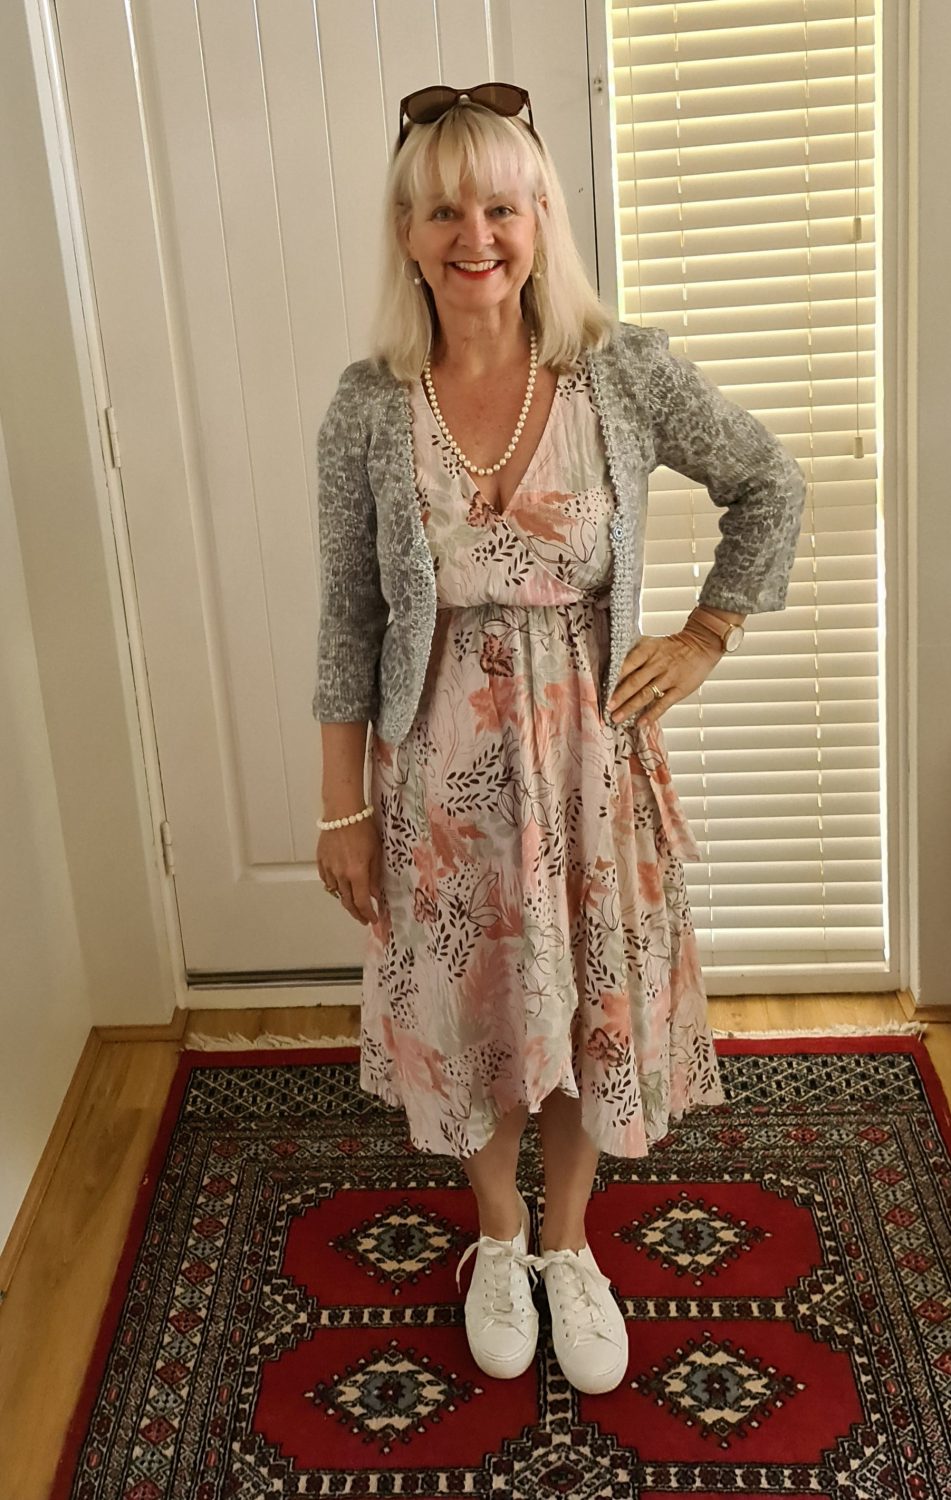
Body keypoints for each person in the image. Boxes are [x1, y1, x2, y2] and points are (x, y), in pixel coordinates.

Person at [312, 82, 805, 1396]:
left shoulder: (620, 372)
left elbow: (769, 479)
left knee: (586, 1009)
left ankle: (571, 1249)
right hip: (437, 773)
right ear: (407, 233)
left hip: (592, 762)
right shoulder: (370, 406)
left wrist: (707, 633)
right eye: (443, 210)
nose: (475, 235)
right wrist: (340, 806)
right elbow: (348, 615)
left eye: (501, 205)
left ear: (541, 217)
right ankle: (499, 1237)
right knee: (481, 1018)